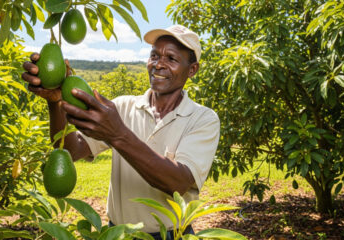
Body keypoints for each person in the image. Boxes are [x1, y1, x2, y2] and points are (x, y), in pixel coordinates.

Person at [22, 25, 220, 239]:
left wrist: (117, 134)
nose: (158, 64)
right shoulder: (122, 107)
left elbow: (177, 182)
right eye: (154, 55)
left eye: (171, 59)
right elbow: (71, 150)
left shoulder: (203, 119)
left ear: (192, 70)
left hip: (171, 235)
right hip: (118, 234)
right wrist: (55, 102)